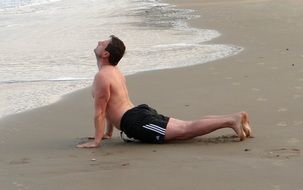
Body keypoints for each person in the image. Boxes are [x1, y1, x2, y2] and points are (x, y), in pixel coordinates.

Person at [76, 35, 252, 148]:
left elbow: (100, 111)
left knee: (185, 131)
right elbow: (109, 106)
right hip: (137, 113)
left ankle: (232, 120)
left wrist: (96, 141)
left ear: (106, 54)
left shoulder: (102, 76)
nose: (99, 42)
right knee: (186, 125)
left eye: (103, 43)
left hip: (135, 121)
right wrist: (108, 133)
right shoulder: (114, 72)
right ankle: (234, 118)